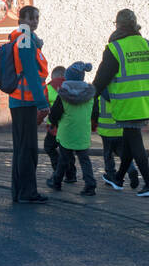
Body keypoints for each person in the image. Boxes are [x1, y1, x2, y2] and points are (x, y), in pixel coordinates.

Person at [94, 9, 149, 197]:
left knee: (135, 142)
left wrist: (90, 96)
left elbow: (101, 79)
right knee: (130, 141)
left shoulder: (115, 48)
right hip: (144, 102)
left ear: (117, 25)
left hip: (127, 104)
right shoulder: (148, 45)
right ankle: (118, 179)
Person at [3, 5, 50, 204]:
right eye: (31, 18)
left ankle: (19, 191)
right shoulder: (25, 40)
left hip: (21, 100)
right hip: (25, 101)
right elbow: (30, 72)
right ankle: (27, 192)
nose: (35, 22)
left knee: (23, 148)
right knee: (27, 149)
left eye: (37, 18)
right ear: (22, 19)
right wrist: (42, 103)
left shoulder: (24, 39)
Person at [46, 61, 98, 196]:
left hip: (67, 132)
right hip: (82, 132)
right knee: (84, 159)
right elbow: (95, 113)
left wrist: (52, 122)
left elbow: (55, 114)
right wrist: (93, 124)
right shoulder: (90, 95)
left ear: (68, 78)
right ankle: (90, 185)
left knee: (63, 159)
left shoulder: (63, 95)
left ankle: (57, 181)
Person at [94, 90, 140, 189]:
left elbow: (95, 112)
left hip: (105, 131)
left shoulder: (99, 95)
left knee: (108, 154)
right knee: (123, 153)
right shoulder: (120, 92)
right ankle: (131, 169)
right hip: (120, 130)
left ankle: (111, 174)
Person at [42, 67, 74, 183]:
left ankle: (57, 171)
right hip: (69, 126)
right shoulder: (71, 87)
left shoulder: (48, 88)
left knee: (49, 147)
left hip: (54, 127)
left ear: (53, 76)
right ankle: (71, 175)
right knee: (67, 150)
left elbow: (44, 106)